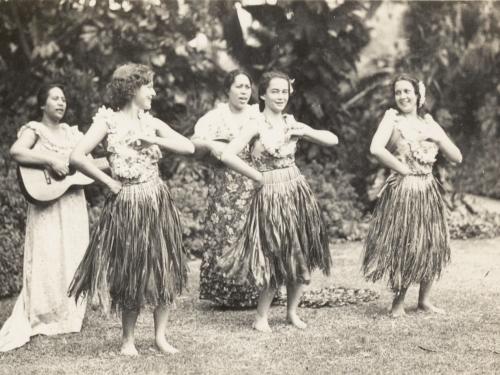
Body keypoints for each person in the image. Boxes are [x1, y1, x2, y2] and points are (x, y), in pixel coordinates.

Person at [68, 63, 194, 355]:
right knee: (132, 270)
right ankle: (128, 341)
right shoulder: (107, 121)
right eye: (149, 85)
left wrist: (154, 139)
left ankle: (161, 337)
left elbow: (187, 147)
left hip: (155, 199)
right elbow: (77, 156)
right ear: (132, 88)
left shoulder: (152, 122)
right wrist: (107, 181)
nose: (153, 91)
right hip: (126, 203)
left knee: (163, 265)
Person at [217, 70, 338, 332]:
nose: (280, 96)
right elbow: (227, 154)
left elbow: (332, 139)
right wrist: (256, 176)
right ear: (262, 94)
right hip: (270, 194)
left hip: (296, 191)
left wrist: (306, 131)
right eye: (275, 91)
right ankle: (261, 316)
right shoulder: (255, 124)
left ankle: (292, 312)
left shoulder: (291, 123)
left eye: (284, 91)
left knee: (300, 251)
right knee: (274, 254)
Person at [362, 75, 462, 317]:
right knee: (405, 245)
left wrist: (437, 137)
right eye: (398, 92)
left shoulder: (429, 123)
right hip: (405, 190)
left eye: (407, 91)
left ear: (419, 95)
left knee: (430, 244)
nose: (403, 96)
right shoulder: (392, 120)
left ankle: (424, 301)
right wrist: (402, 168)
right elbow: (375, 148)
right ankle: (397, 303)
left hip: (428, 189)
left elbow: (456, 156)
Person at [0, 84, 91, 351]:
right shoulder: (34, 130)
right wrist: (50, 161)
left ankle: (68, 312)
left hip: (72, 201)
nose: (61, 102)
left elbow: (88, 161)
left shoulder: (72, 133)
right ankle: (44, 312)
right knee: (48, 252)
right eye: (55, 98)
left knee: (73, 252)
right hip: (46, 202)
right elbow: (17, 151)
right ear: (43, 104)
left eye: (63, 99)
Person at [191, 69, 261, 307]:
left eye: (247, 87)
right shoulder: (215, 117)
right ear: (227, 89)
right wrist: (210, 144)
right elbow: (193, 143)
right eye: (239, 86)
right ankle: (225, 294)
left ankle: (256, 292)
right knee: (225, 235)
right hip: (225, 184)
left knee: (254, 234)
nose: (244, 92)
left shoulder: (257, 115)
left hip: (253, 182)